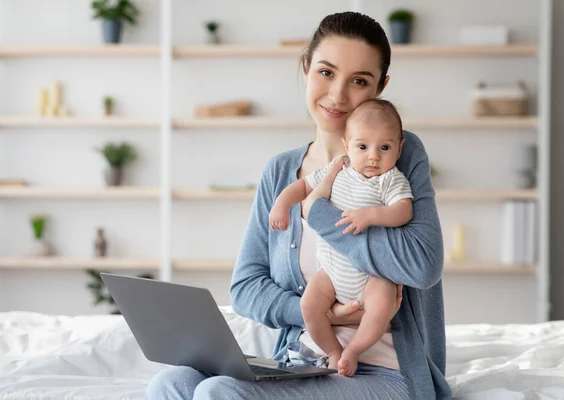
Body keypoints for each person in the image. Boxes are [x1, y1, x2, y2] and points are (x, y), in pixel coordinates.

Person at [145, 11, 452, 400]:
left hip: (387, 373)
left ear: (381, 87)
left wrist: (319, 214)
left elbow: (423, 265)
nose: (338, 95)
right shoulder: (281, 172)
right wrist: (319, 313)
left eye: (359, 81)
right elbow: (246, 286)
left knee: (220, 393)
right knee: (170, 383)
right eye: (326, 72)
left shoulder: (397, 155)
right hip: (302, 360)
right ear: (305, 68)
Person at [268, 99, 413, 377]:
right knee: (309, 305)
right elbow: (302, 186)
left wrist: (371, 216)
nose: (373, 156)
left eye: (385, 147)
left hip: (371, 273)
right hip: (332, 272)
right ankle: (334, 351)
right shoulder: (337, 169)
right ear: (347, 145)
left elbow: (403, 211)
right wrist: (281, 204)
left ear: (399, 148)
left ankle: (354, 350)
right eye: (363, 147)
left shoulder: (390, 179)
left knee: (382, 307)